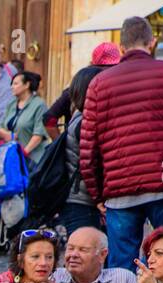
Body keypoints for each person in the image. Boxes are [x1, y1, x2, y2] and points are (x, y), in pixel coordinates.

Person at [81, 16, 163, 271]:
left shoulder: (99, 84)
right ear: (152, 41)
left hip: (120, 189)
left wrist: (97, 192)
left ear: (121, 48)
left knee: (121, 268)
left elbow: (88, 147)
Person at [58, 66, 106, 237]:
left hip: (80, 199)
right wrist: (99, 200)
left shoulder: (78, 117)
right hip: (83, 201)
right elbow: (89, 163)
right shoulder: (84, 122)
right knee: (84, 254)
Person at [0, 70, 51, 172]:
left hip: (32, 159)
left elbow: (38, 135)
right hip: (12, 157)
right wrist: (10, 135)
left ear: (27, 85)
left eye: (16, 84)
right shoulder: (12, 104)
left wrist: (24, 153)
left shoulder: (39, 104)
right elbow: (1, 128)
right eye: (12, 84)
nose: (12, 87)